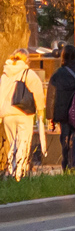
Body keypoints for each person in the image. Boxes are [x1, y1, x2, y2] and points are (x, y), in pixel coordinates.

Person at [0, 48, 46, 180]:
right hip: (24, 113)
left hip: (7, 114)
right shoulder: (28, 73)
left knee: (13, 143)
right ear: (26, 59)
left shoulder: (4, 74)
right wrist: (40, 110)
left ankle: (11, 170)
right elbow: (38, 92)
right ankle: (19, 174)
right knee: (23, 143)